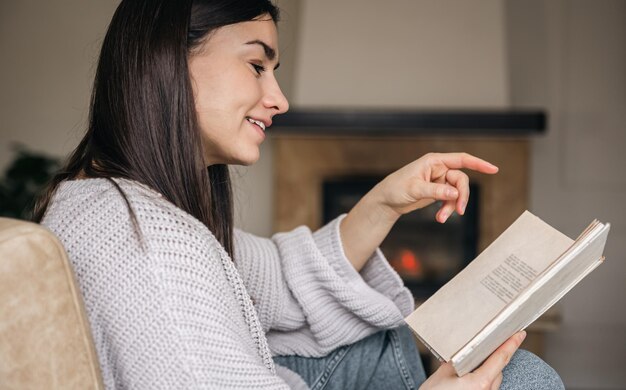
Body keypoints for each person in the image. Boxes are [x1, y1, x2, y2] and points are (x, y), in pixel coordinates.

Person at [33, 1, 565, 389]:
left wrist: (383, 202)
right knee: (522, 377)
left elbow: (279, 280)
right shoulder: (139, 239)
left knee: (453, 357)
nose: (279, 99)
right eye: (256, 65)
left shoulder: (122, 206)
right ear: (169, 61)